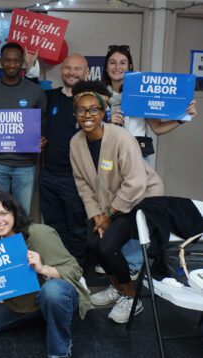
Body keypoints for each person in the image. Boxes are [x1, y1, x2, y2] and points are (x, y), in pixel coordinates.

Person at [0, 191, 92, 358]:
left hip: (57, 293)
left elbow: (74, 269)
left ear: (14, 213)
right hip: (20, 299)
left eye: (3, 213)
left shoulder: (39, 233)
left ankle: (59, 351)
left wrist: (42, 268)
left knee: (52, 291)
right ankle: (38, 314)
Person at [69, 81, 164, 324]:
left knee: (108, 246)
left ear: (103, 113)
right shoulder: (76, 143)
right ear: (75, 113)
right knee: (93, 242)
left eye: (93, 110)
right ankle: (118, 289)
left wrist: (108, 215)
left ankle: (132, 298)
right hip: (111, 204)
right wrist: (96, 216)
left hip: (142, 199)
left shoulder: (121, 138)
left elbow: (135, 182)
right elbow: (83, 184)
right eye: (81, 110)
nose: (87, 115)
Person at [101, 44, 197, 278]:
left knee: (139, 210)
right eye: (113, 62)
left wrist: (183, 118)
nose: (118, 67)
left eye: (123, 63)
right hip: (107, 159)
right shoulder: (98, 94)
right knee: (111, 207)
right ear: (106, 67)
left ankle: (133, 263)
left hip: (138, 158)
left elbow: (157, 128)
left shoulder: (140, 93)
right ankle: (111, 258)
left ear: (130, 67)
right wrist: (106, 122)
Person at [0, 42, 46, 215]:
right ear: (1, 62)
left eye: (16, 61)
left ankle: (20, 243)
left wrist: (43, 138)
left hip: (26, 166)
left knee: (22, 215)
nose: (12, 64)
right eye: (7, 60)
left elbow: (43, 123)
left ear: (22, 62)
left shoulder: (35, 91)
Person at [39, 54, 89, 265]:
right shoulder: (50, 97)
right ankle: (59, 266)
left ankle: (76, 270)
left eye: (77, 69)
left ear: (86, 73)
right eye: (67, 68)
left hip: (76, 178)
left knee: (77, 227)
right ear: (61, 71)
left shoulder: (91, 102)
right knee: (54, 226)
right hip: (48, 175)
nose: (72, 72)